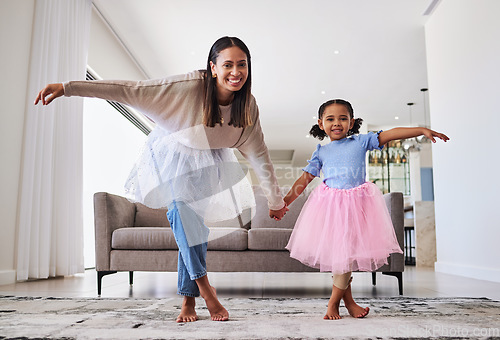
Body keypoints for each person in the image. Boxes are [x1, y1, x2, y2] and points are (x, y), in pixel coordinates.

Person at [34, 36, 288, 322]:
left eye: (242, 65)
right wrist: (69, 88)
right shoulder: (187, 88)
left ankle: (187, 302)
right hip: (173, 158)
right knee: (180, 212)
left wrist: (275, 200)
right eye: (227, 64)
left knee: (193, 231)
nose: (236, 72)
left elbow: (259, 155)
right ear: (213, 68)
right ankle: (205, 289)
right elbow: (128, 90)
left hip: (210, 164)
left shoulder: (247, 108)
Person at [281, 99, 449, 320]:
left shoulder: (361, 142)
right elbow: (303, 180)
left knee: (345, 257)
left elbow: (392, 133)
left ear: (351, 122)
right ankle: (344, 303)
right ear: (321, 123)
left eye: (343, 118)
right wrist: (284, 204)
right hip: (330, 209)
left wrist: (421, 129)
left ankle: (336, 303)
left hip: (357, 207)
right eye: (330, 119)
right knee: (342, 257)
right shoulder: (321, 152)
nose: (337, 123)